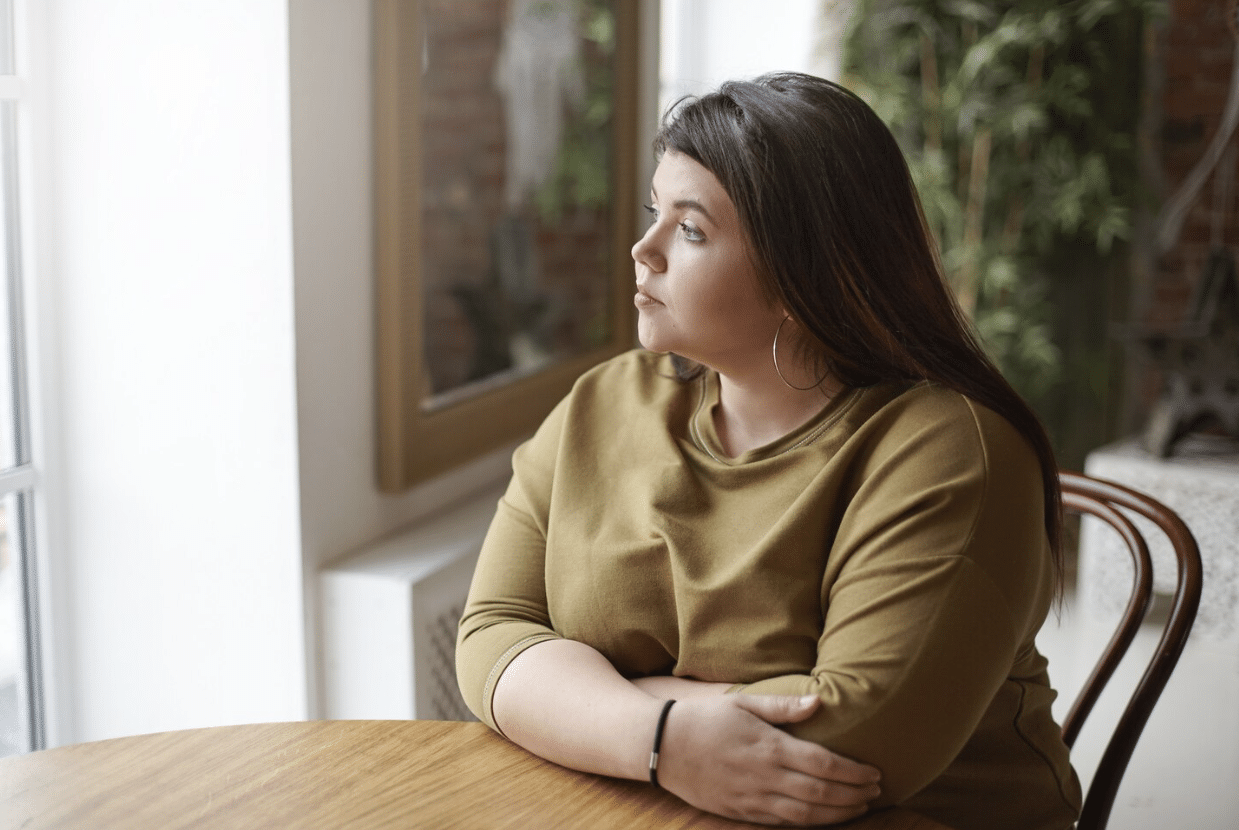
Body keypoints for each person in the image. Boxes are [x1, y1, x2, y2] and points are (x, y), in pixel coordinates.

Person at [455, 72, 1081, 830]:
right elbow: (491, 633)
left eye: (689, 230)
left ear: (803, 274)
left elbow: (851, 746)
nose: (642, 249)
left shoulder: (952, 452)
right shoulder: (606, 402)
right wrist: (661, 739)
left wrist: (583, 702)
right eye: (657, 212)